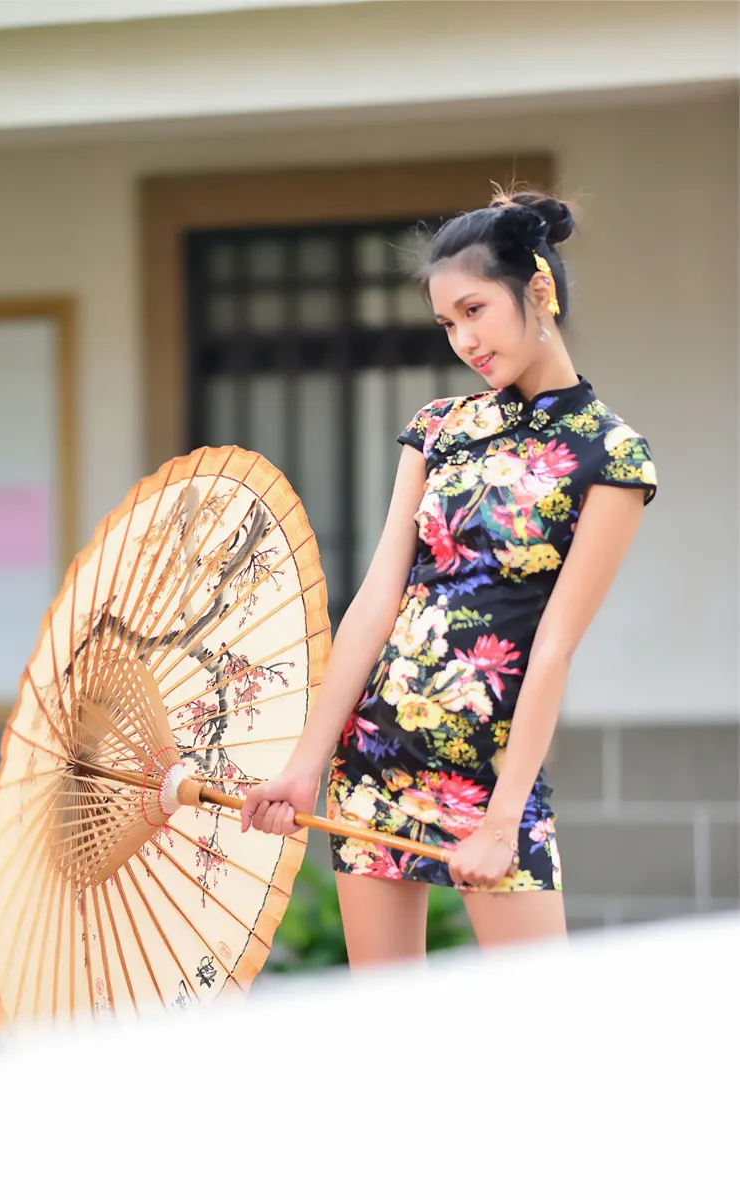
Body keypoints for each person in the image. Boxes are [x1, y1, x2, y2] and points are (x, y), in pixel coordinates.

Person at [239, 189, 657, 965]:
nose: (463, 338)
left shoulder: (611, 454)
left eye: (474, 310)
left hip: (490, 775)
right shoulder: (438, 429)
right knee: (388, 1031)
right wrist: (304, 764)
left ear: (538, 292)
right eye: (446, 323)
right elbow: (373, 603)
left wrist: (502, 822)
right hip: (374, 755)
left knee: (534, 1029)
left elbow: (554, 646)